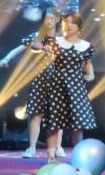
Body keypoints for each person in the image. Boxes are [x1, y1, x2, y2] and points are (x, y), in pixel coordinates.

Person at [0, 8, 65, 158]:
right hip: (39, 80)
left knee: (57, 116)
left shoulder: (62, 39)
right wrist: (6, 58)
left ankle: (58, 146)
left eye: (51, 18)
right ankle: (32, 147)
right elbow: (18, 49)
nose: (48, 21)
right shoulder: (37, 37)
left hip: (58, 81)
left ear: (57, 19)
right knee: (36, 115)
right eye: (46, 18)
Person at [34, 12, 96, 163]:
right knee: (54, 123)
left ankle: (79, 157)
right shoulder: (56, 41)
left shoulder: (86, 46)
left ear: (79, 26)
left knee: (78, 125)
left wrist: (91, 74)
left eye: (72, 22)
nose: (68, 25)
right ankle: (51, 157)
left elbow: (87, 63)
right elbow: (35, 45)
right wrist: (44, 47)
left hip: (77, 87)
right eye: (66, 22)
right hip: (58, 86)